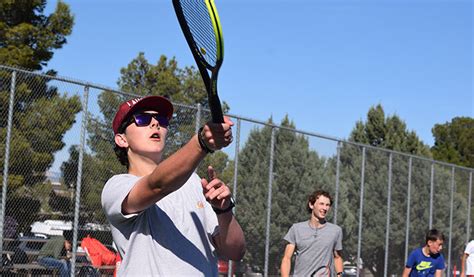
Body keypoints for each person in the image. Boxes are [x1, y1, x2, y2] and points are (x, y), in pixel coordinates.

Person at [101, 95, 246, 276]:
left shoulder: (194, 182)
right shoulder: (117, 187)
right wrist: (201, 142)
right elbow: (157, 185)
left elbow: (235, 252)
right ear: (122, 139)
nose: (155, 124)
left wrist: (224, 212)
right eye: (143, 119)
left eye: (161, 120)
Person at [280, 190, 343, 277]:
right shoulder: (296, 229)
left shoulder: (336, 231)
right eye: (321, 204)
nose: (325, 208)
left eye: (327, 205)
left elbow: (337, 257)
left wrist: (339, 275)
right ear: (311, 205)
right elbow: (286, 258)